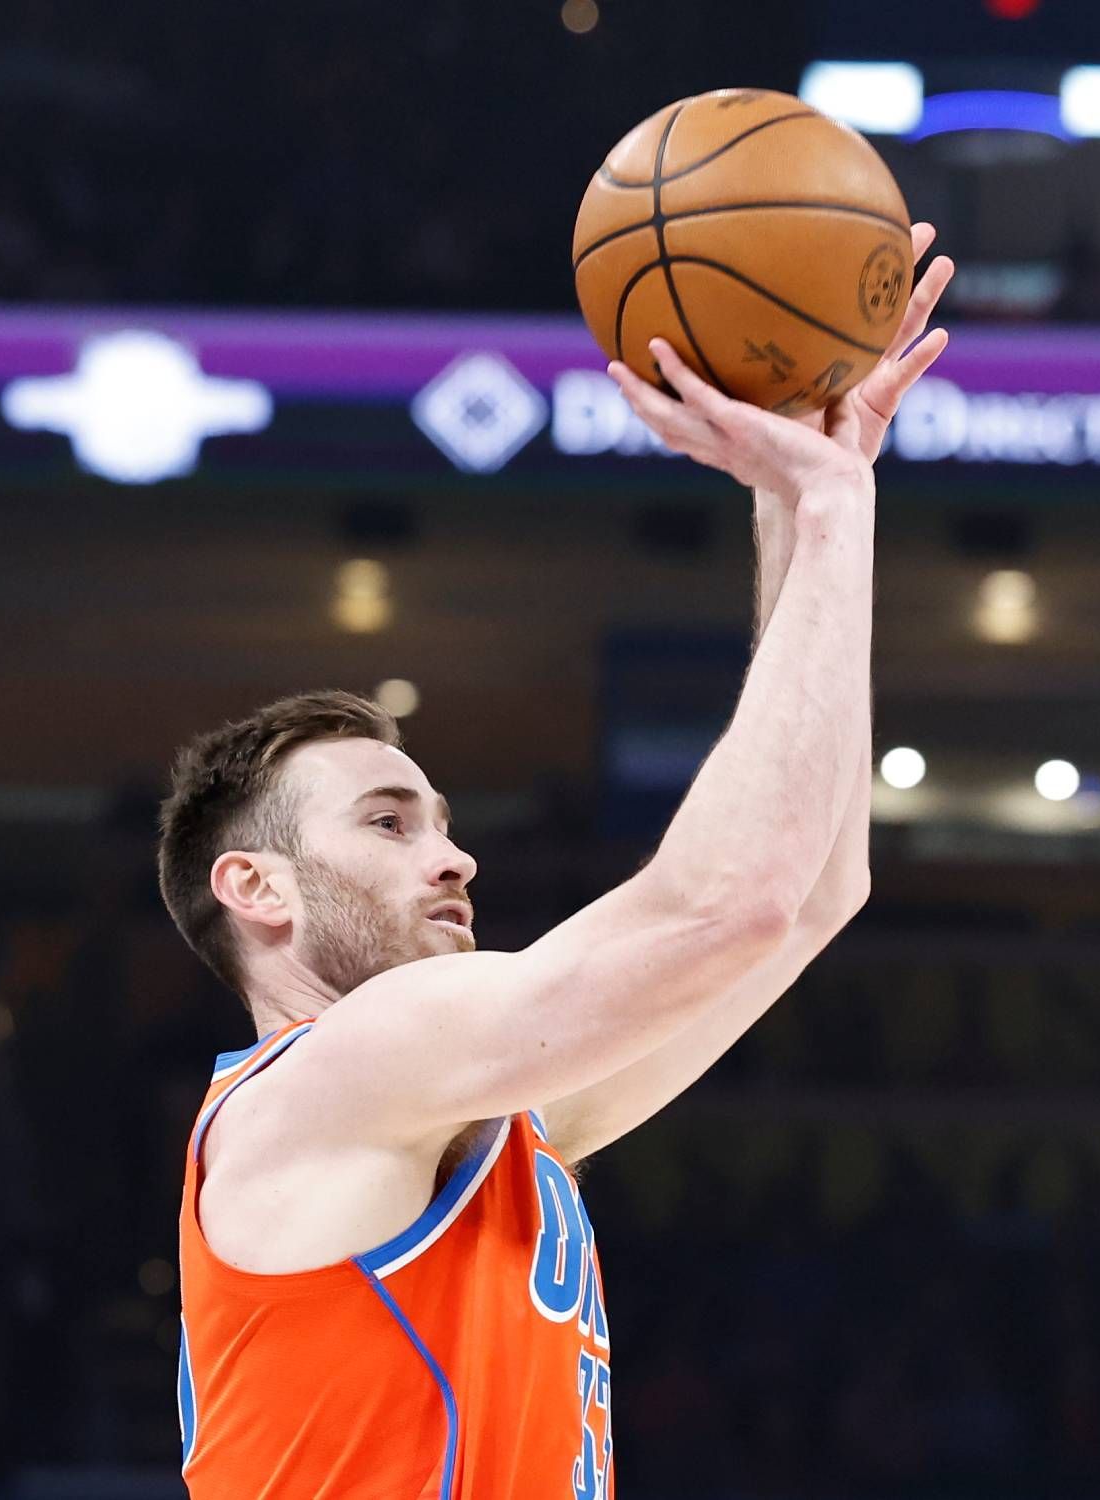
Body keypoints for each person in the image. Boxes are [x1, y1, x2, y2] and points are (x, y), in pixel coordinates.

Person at [163, 230, 953, 1497]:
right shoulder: (341, 1071)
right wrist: (833, 505)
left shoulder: (481, 1118)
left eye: (441, 819)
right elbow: (733, 904)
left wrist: (800, 506)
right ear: (253, 888)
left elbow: (809, 895)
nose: (454, 856)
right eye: (386, 823)